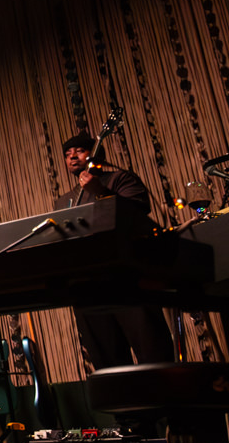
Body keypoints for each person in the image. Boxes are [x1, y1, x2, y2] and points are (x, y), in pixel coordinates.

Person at [55, 132, 175, 369]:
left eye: (79, 151)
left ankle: (167, 402)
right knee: (106, 360)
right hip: (88, 285)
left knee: (152, 352)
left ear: (96, 153)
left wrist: (100, 190)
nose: (72, 158)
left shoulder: (120, 179)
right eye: (67, 155)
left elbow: (136, 214)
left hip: (128, 279)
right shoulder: (64, 201)